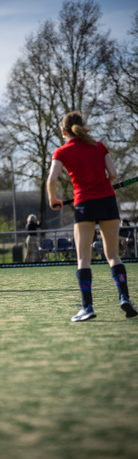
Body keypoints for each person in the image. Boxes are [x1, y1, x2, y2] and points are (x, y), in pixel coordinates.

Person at [47, 111, 137, 322]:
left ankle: (87, 307)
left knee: (83, 258)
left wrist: (53, 199)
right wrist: (102, 181)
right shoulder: (99, 146)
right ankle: (124, 297)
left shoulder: (62, 151)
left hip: (84, 204)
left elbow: (52, 179)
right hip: (107, 202)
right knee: (113, 255)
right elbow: (113, 175)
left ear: (63, 132)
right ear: (83, 127)